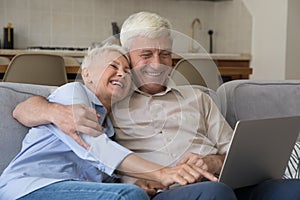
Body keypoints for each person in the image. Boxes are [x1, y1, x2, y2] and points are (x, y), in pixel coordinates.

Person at [12, 12, 300, 200]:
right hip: (172, 191)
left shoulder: (198, 99)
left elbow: (232, 151)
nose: (157, 64)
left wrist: (211, 162)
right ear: (129, 58)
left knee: (291, 189)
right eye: (145, 55)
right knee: (216, 193)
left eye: (165, 55)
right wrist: (51, 111)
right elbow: (31, 107)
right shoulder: (111, 103)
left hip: (223, 180)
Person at [0, 44, 213, 200]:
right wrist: (162, 172)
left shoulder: (111, 126)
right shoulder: (72, 93)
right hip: (29, 187)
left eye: (127, 71)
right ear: (87, 74)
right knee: (127, 197)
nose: (122, 73)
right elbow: (95, 149)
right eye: (113, 66)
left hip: (75, 189)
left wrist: (140, 182)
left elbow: (102, 169)